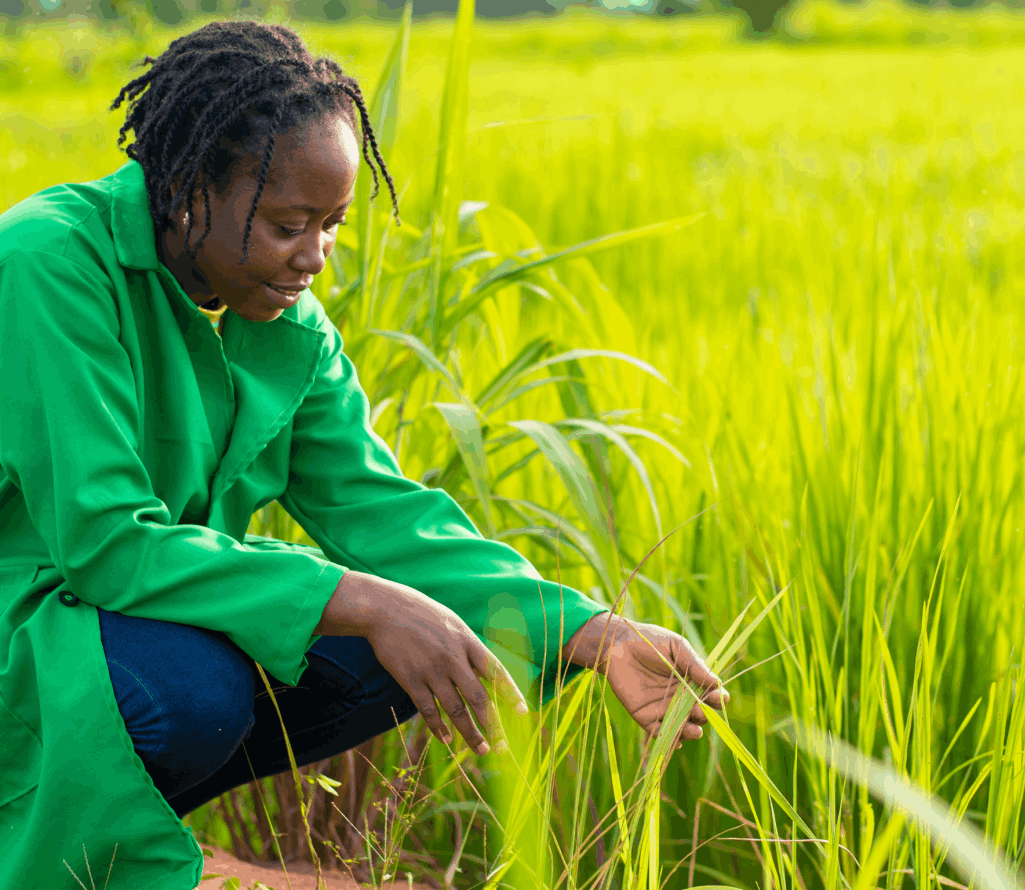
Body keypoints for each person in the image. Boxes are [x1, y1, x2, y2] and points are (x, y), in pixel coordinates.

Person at [0, 19, 726, 890]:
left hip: (110, 622)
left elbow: (385, 515)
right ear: (188, 189)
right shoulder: (50, 260)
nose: (314, 258)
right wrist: (359, 598)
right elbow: (106, 542)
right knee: (199, 689)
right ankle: (166, 868)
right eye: (286, 223)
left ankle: (145, 844)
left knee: (451, 636)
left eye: (333, 225)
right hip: (28, 621)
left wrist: (590, 631)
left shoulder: (283, 325)